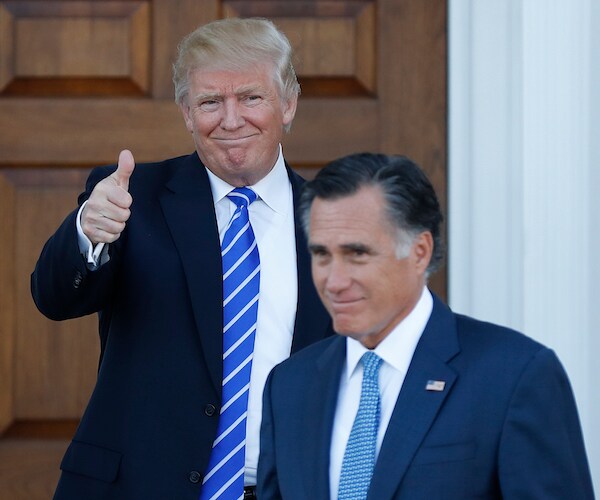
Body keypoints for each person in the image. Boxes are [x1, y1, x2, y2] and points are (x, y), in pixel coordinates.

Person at [31, 17, 332, 500]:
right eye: (210, 102)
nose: (230, 120)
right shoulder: (134, 198)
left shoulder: (331, 218)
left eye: (251, 98)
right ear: (188, 113)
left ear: (289, 104)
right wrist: (87, 231)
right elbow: (54, 298)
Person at [257, 153, 595, 499]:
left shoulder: (514, 376)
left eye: (357, 254)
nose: (334, 281)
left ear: (419, 252)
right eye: (322, 255)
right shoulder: (289, 386)